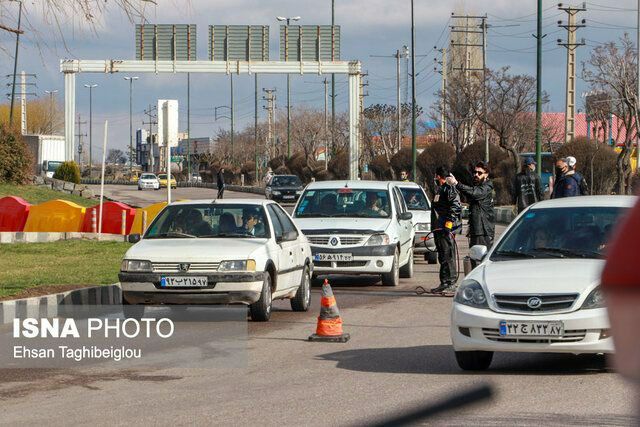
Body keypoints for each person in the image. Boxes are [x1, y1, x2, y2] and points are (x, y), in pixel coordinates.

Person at [448, 161, 495, 250]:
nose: (476, 175)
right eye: (475, 172)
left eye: (480, 173)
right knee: (474, 257)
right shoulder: (478, 186)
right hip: (476, 230)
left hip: (483, 232)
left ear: (486, 174)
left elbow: (475, 193)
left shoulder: (487, 187)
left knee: (479, 258)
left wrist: (457, 184)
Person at [430, 166, 462, 293]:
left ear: (438, 176)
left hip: (445, 229)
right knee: (443, 256)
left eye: (436, 175)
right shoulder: (441, 189)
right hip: (439, 228)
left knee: (448, 255)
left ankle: (451, 283)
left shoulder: (449, 189)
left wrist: (449, 223)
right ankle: (444, 282)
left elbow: (455, 206)